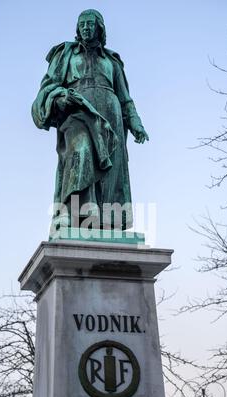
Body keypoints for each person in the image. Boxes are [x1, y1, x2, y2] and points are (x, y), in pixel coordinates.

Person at [32, 9, 149, 233]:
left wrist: (136, 124)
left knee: (111, 172)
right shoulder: (66, 54)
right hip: (78, 112)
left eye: (90, 24)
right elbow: (49, 86)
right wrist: (59, 98)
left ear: (99, 28)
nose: (85, 28)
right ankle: (72, 213)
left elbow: (125, 98)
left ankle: (106, 221)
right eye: (82, 24)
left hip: (110, 117)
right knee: (80, 150)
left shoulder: (112, 61)